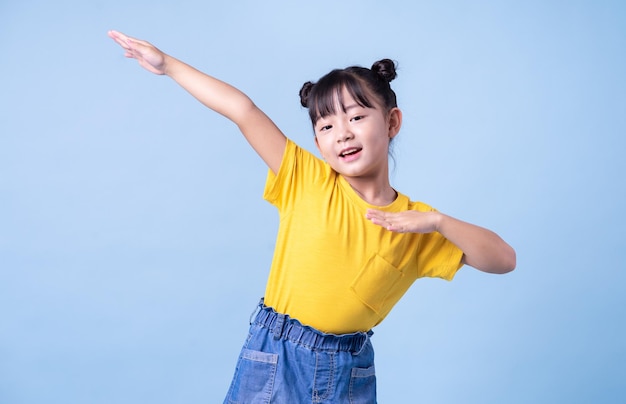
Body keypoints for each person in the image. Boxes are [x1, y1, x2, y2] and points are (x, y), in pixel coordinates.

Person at [108, 30, 516, 403]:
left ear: (391, 122)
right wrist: (170, 66)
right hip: (277, 358)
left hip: (351, 371)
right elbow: (242, 110)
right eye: (325, 126)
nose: (342, 134)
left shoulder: (415, 222)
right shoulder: (307, 179)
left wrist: (440, 222)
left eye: (356, 117)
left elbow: (504, 260)